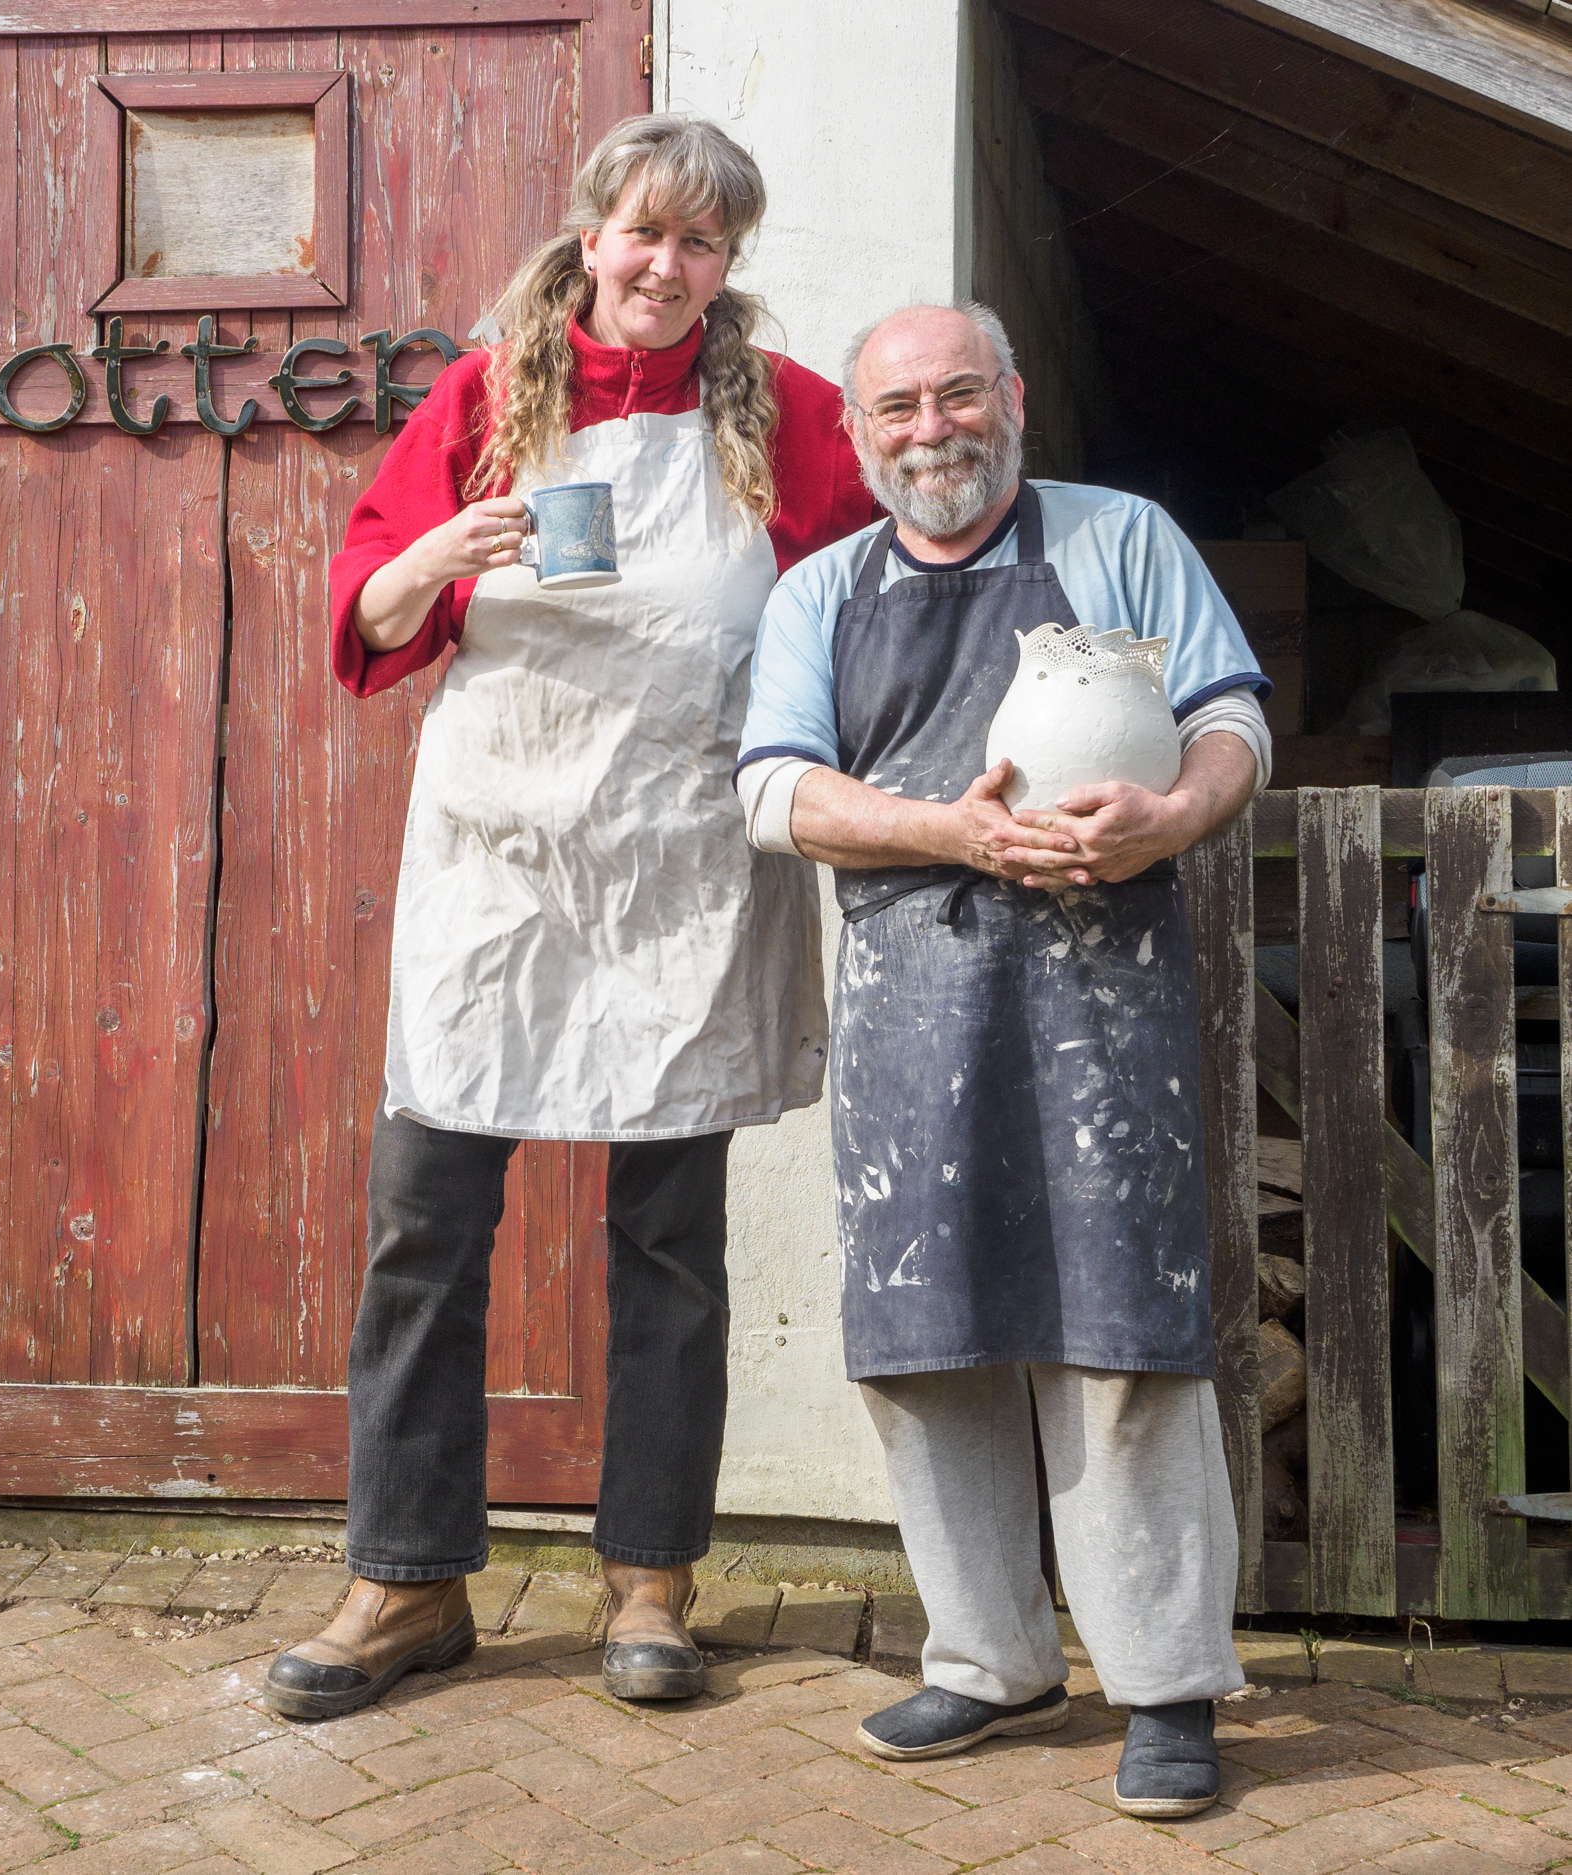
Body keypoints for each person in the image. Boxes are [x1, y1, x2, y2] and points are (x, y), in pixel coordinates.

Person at [263, 114, 872, 1723]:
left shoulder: (793, 417)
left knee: (671, 1245)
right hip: (500, 870)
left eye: (703, 244)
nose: (666, 268)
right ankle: (404, 1580)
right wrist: (445, 552)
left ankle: (652, 1582)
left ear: (726, 265)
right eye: (643, 233)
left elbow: (882, 592)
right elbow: (366, 613)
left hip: (685, 869)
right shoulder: (482, 399)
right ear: (591, 232)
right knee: (425, 1229)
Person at [734, 301, 1269, 1818]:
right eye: (897, 408)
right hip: (914, 1008)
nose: (932, 431)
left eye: (958, 397)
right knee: (925, 1338)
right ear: (858, 434)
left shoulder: (1121, 538)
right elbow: (775, 793)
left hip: (1107, 1002)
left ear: (1014, 399)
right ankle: (986, 1660)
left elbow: (1232, 718)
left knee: (1120, 1340)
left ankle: (1166, 1686)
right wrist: (948, 830)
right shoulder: (820, 594)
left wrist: (1168, 818)